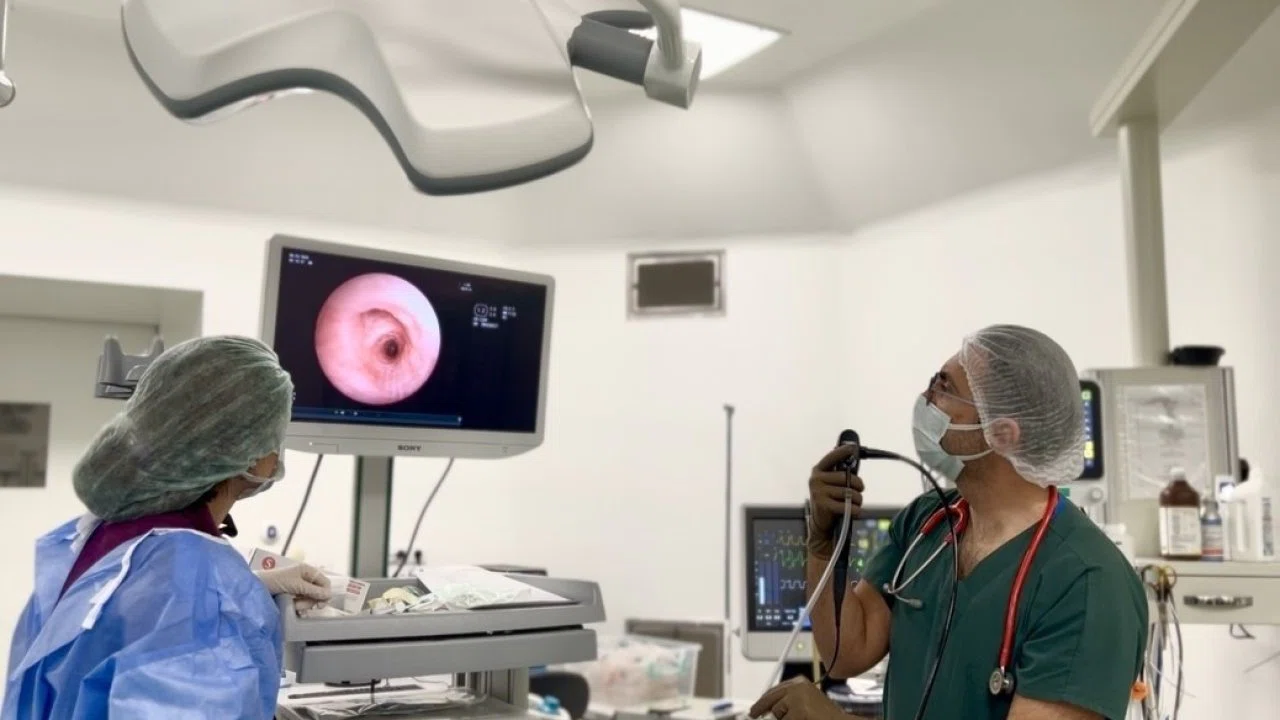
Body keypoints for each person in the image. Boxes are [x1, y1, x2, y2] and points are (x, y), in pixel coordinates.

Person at [752, 325, 1148, 720]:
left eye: (944, 388)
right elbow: (846, 652)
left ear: (1002, 434)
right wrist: (824, 542)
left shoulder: (1087, 583)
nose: (926, 399)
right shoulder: (928, 521)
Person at [3, 336, 332, 720]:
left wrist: (251, 588)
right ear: (251, 454)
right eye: (277, 435)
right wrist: (223, 601)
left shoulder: (96, 538)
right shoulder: (200, 586)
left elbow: (130, 623)